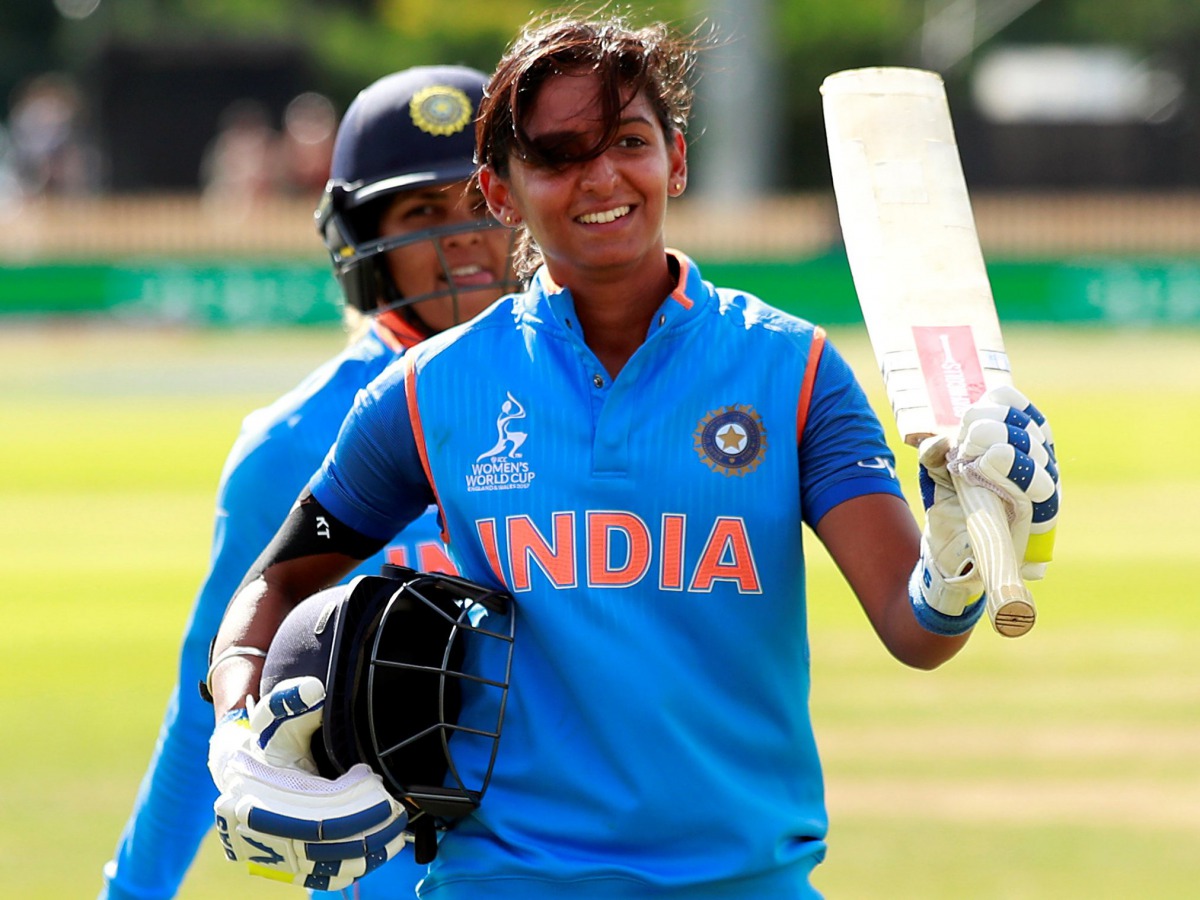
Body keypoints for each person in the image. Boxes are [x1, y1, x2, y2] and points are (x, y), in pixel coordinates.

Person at [207, 11, 1061, 899]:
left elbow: (914, 626)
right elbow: (280, 580)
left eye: (628, 140)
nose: (601, 176)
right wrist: (236, 728)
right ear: (499, 192)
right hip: (506, 881)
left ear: (675, 159)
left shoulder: (792, 369)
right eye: (557, 153)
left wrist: (958, 565)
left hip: (746, 881)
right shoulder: (431, 390)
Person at [101, 65, 518, 900]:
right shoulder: (291, 444)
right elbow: (208, 706)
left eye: (478, 203)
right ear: (361, 241)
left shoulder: (605, 399)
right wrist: (133, 893)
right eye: (420, 213)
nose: (459, 238)